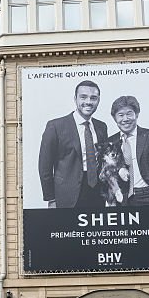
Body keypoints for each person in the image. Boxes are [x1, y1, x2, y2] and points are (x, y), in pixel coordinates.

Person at [38, 81, 110, 209]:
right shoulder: (55, 126)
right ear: (75, 99)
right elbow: (45, 167)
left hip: (98, 193)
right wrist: (51, 199)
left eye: (93, 98)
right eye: (83, 97)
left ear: (98, 101)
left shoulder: (101, 127)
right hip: (67, 196)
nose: (88, 102)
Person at [107, 95, 149, 206]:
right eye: (120, 115)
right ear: (114, 118)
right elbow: (106, 170)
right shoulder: (110, 142)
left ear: (137, 114)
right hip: (124, 201)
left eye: (129, 113)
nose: (125, 119)